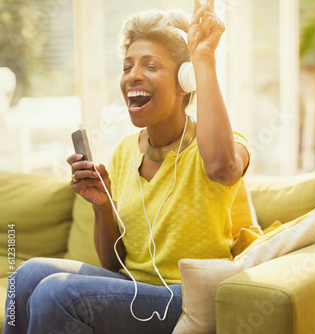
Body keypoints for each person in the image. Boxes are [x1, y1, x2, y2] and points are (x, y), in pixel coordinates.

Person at [3, 0, 250, 333]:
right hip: (135, 290)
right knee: (25, 276)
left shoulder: (222, 144)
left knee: (57, 293)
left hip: (188, 296)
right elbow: (112, 265)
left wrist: (203, 59)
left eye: (150, 65)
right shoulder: (124, 152)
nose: (133, 75)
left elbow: (222, 167)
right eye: (127, 66)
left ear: (184, 82)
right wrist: (103, 206)